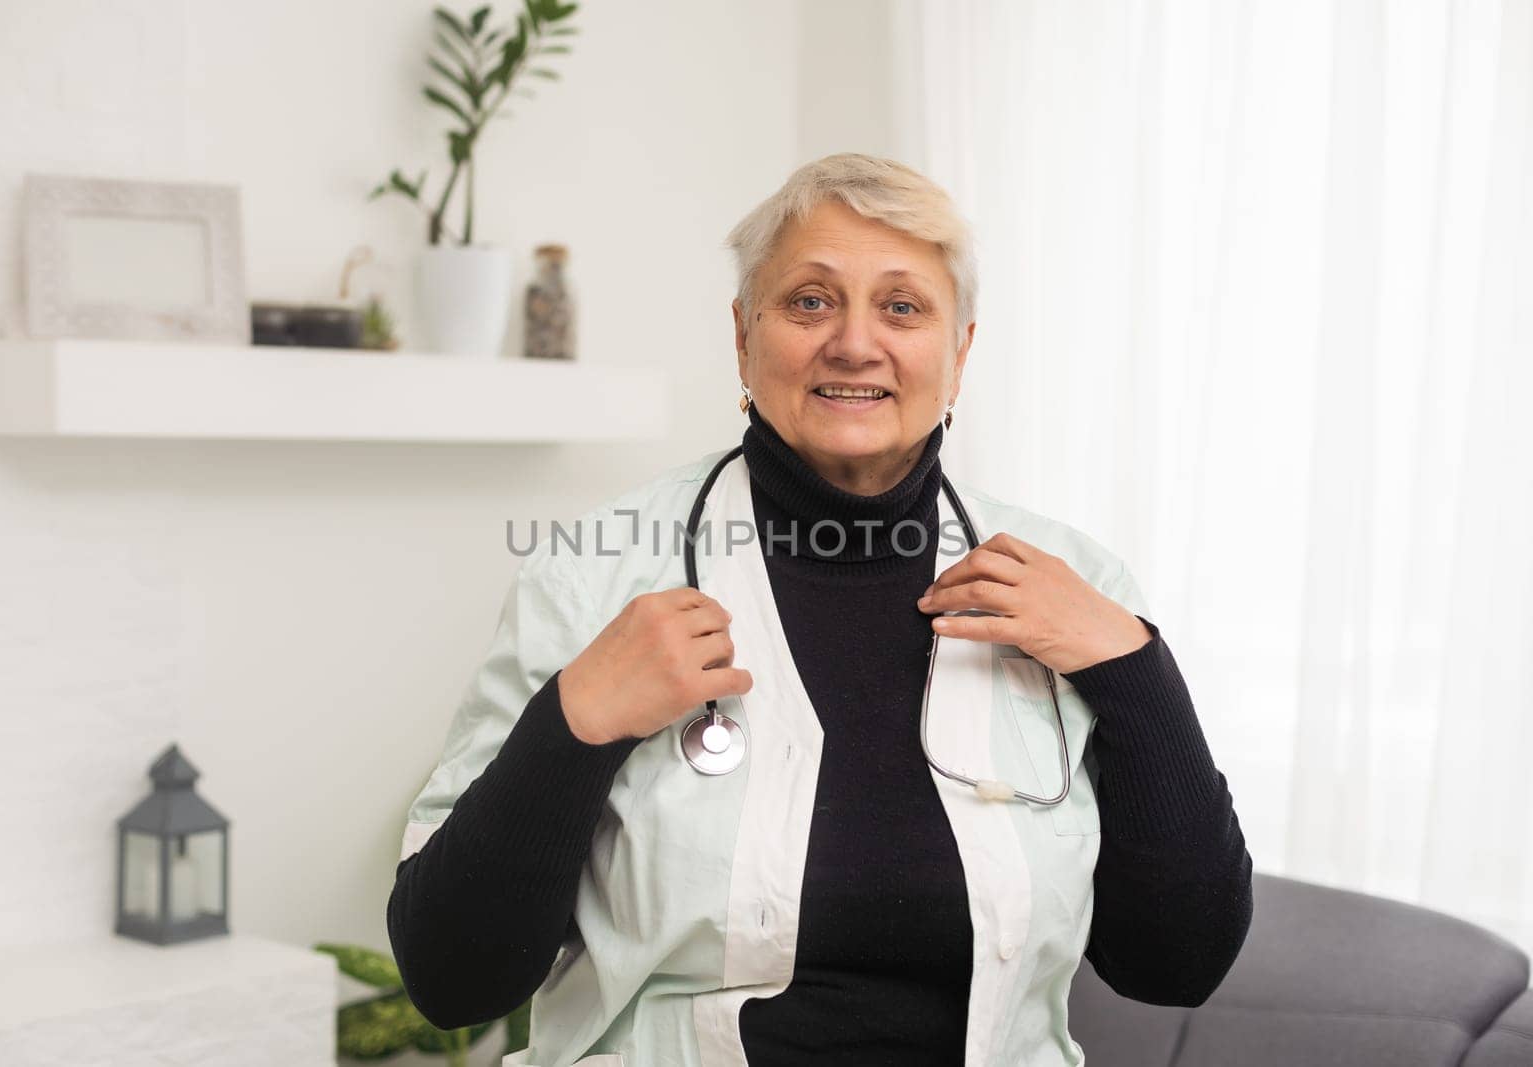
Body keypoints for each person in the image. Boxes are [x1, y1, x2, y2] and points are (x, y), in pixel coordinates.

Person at [388, 153, 1253, 1066]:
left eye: (903, 306)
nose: (853, 342)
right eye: (808, 300)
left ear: (958, 354)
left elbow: (1179, 963)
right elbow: (454, 979)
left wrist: (1132, 668)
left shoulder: (1076, 583)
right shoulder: (592, 579)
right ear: (742, 337)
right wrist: (575, 723)